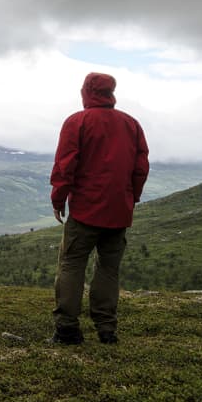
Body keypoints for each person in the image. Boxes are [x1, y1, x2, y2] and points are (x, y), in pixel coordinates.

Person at [49, 72, 149, 345]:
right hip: (119, 211)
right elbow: (141, 168)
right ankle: (107, 330)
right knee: (108, 269)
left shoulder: (77, 122)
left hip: (84, 210)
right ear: (110, 92)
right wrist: (132, 197)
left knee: (71, 264)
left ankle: (67, 329)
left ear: (86, 92)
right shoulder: (132, 124)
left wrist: (59, 199)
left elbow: (65, 165)